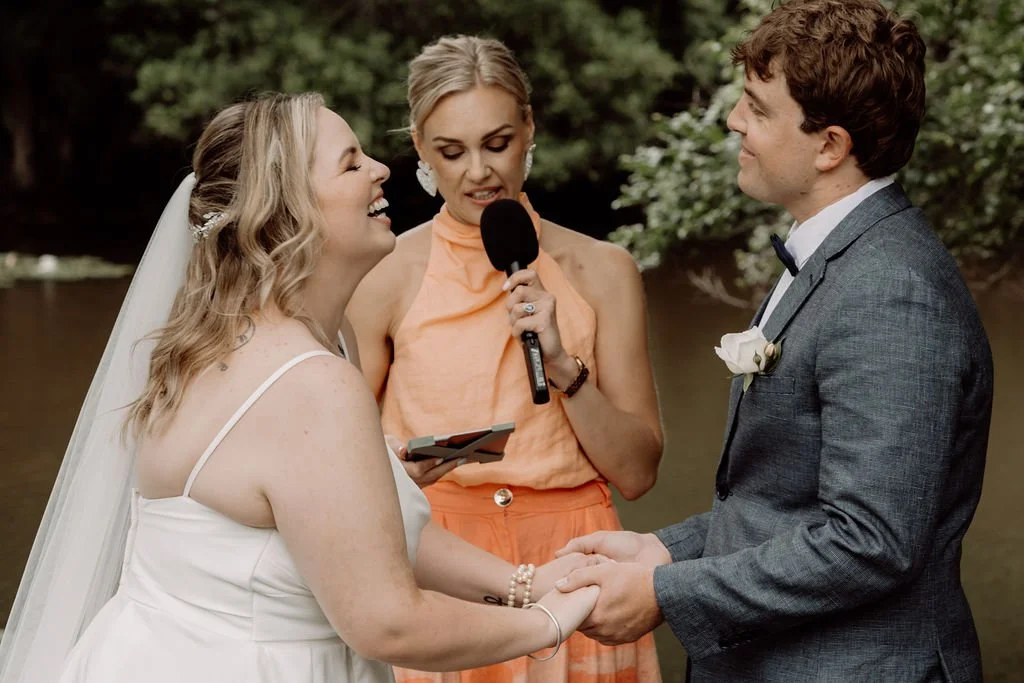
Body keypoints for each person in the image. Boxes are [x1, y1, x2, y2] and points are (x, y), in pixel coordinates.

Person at [0, 92, 603, 683]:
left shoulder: (221, 344)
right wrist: (550, 621)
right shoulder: (311, 384)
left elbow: (349, 538)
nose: (380, 169)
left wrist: (522, 583)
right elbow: (387, 624)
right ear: (285, 212)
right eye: (350, 162)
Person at [555, 1, 994, 681]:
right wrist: (663, 552)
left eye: (759, 109)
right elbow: (784, 501)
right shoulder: (835, 259)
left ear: (829, 146)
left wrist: (665, 594)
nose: (734, 120)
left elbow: (869, 541)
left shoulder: (890, 290)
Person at [347, 36, 663, 682]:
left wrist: (563, 361)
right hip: (441, 575)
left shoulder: (604, 270)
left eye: (496, 144)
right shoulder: (381, 276)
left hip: (578, 571)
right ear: (419, 148)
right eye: (451, 151)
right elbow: (339, 468)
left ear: (528, 129)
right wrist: (400, 469)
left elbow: (636, 473)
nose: (477, 173)